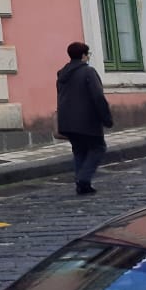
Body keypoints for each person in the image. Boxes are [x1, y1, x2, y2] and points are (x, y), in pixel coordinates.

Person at [56, 41, 113, 195]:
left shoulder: (62, 73)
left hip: (67, 121)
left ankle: (82, 184)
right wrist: (106, 118)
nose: (88, 57)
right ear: (83, 56)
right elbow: (98, 96)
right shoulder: (88, 72)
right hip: (87, 120)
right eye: (87, 54)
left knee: (79, 150)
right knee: (98, 148)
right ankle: (83, 179)